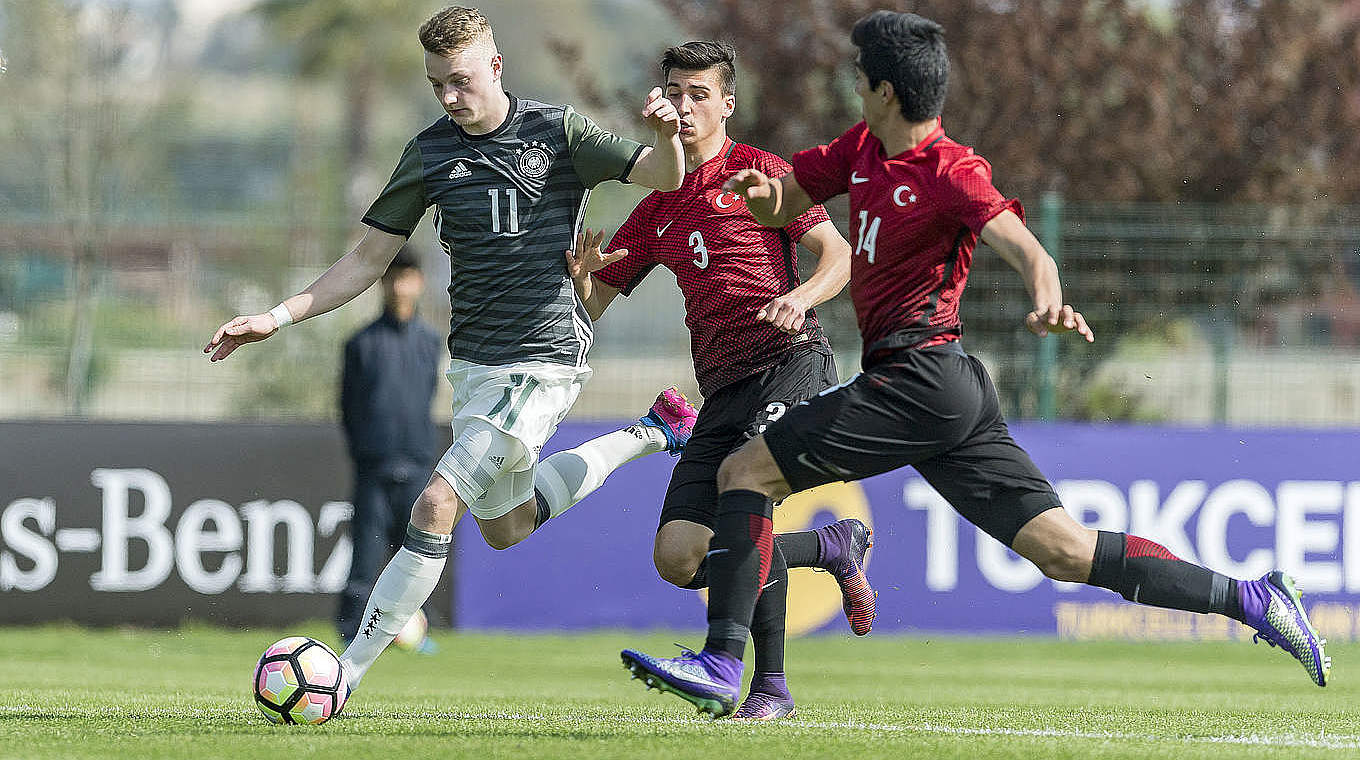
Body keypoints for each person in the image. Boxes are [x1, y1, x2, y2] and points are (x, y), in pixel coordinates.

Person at [620, 11, 1330, 718]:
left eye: (861, 74)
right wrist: (760, 198)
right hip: (949, 394)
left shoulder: (951, 170)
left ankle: (723, 663)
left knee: (744, 473)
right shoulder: (861, 148)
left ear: (886, 91)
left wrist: (1049, 300)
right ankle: (1254, 599)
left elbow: (1030, 251)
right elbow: (788, 198)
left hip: (918, 380)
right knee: (1066, 552)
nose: (854, 82)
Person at [204, 5, 694, 697]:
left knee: (436, 503)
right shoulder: (432, 152)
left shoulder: (559, 133)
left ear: (495, 66)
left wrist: (667, 136)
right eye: (438, 84)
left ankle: (345, 675)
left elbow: (665, 177)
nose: (449, 97)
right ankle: (653, 433)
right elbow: (369, 257)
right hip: (475, 369)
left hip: (543, 358)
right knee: (508, 526)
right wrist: (277, 316)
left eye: (460, 81)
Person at [567, 41, 871, 721]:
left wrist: (803, 297)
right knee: (677, 557)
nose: (684, 105)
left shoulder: (762, 171)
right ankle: (827, 545)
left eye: (699, 93)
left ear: (727, 104)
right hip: (723, 392)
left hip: (790, 363)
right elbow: (593, 307)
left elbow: (838, 256)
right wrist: (581, 284)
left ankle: (767, 686)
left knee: (745, 505)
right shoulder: (656, 206)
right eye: (674, 91)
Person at [336, 248, 443, 649]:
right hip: (374, 469)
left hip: (417, 465)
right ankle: (349, 631)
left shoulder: (431, 343)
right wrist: (365, 452)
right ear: (383, 284)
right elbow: (347, 408)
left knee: (417, 555)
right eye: (393, 277)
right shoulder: (360, 344)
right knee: (365, 557)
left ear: (418, 282)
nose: (400, 285)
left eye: (408, 276)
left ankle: (420, 632)